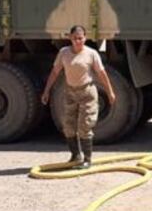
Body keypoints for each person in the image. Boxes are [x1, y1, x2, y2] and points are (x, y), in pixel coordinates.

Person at [41, 25, 116, 169]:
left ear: (85, 38)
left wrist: (110, 92)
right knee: (68, 126)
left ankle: (87, 159)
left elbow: (102, 74)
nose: (77, 41)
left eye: (80, 38)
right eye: (74, 38)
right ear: (70, 38)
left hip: (87, 92)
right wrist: (46, 91)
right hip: (70, 92)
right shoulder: (64, 53)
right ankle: (75, 155)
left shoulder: (91, 54)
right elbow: (55, 72)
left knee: (85, 126)